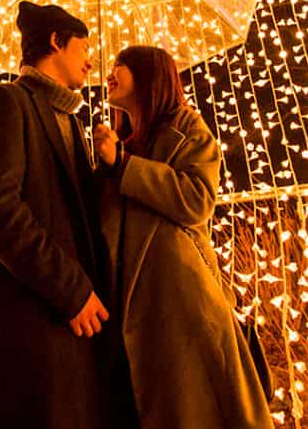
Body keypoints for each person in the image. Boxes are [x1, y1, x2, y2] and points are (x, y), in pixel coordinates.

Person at [92, 45, 274, 429]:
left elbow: (197, 199)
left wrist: (123, 166)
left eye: (120, 66)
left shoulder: (187, 126)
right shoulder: (119, 140)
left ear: (150, 74)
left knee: (192, 408)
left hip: (180, 299)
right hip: (125, 302)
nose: (110, 73)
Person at [0, 1, 111, 429]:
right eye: (83, 47)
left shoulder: (72, 125)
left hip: (69, 332)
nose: (91, 60)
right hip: (26, 332)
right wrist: (71, 289)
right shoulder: (4, 102)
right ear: (56, 42)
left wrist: (110, 165)